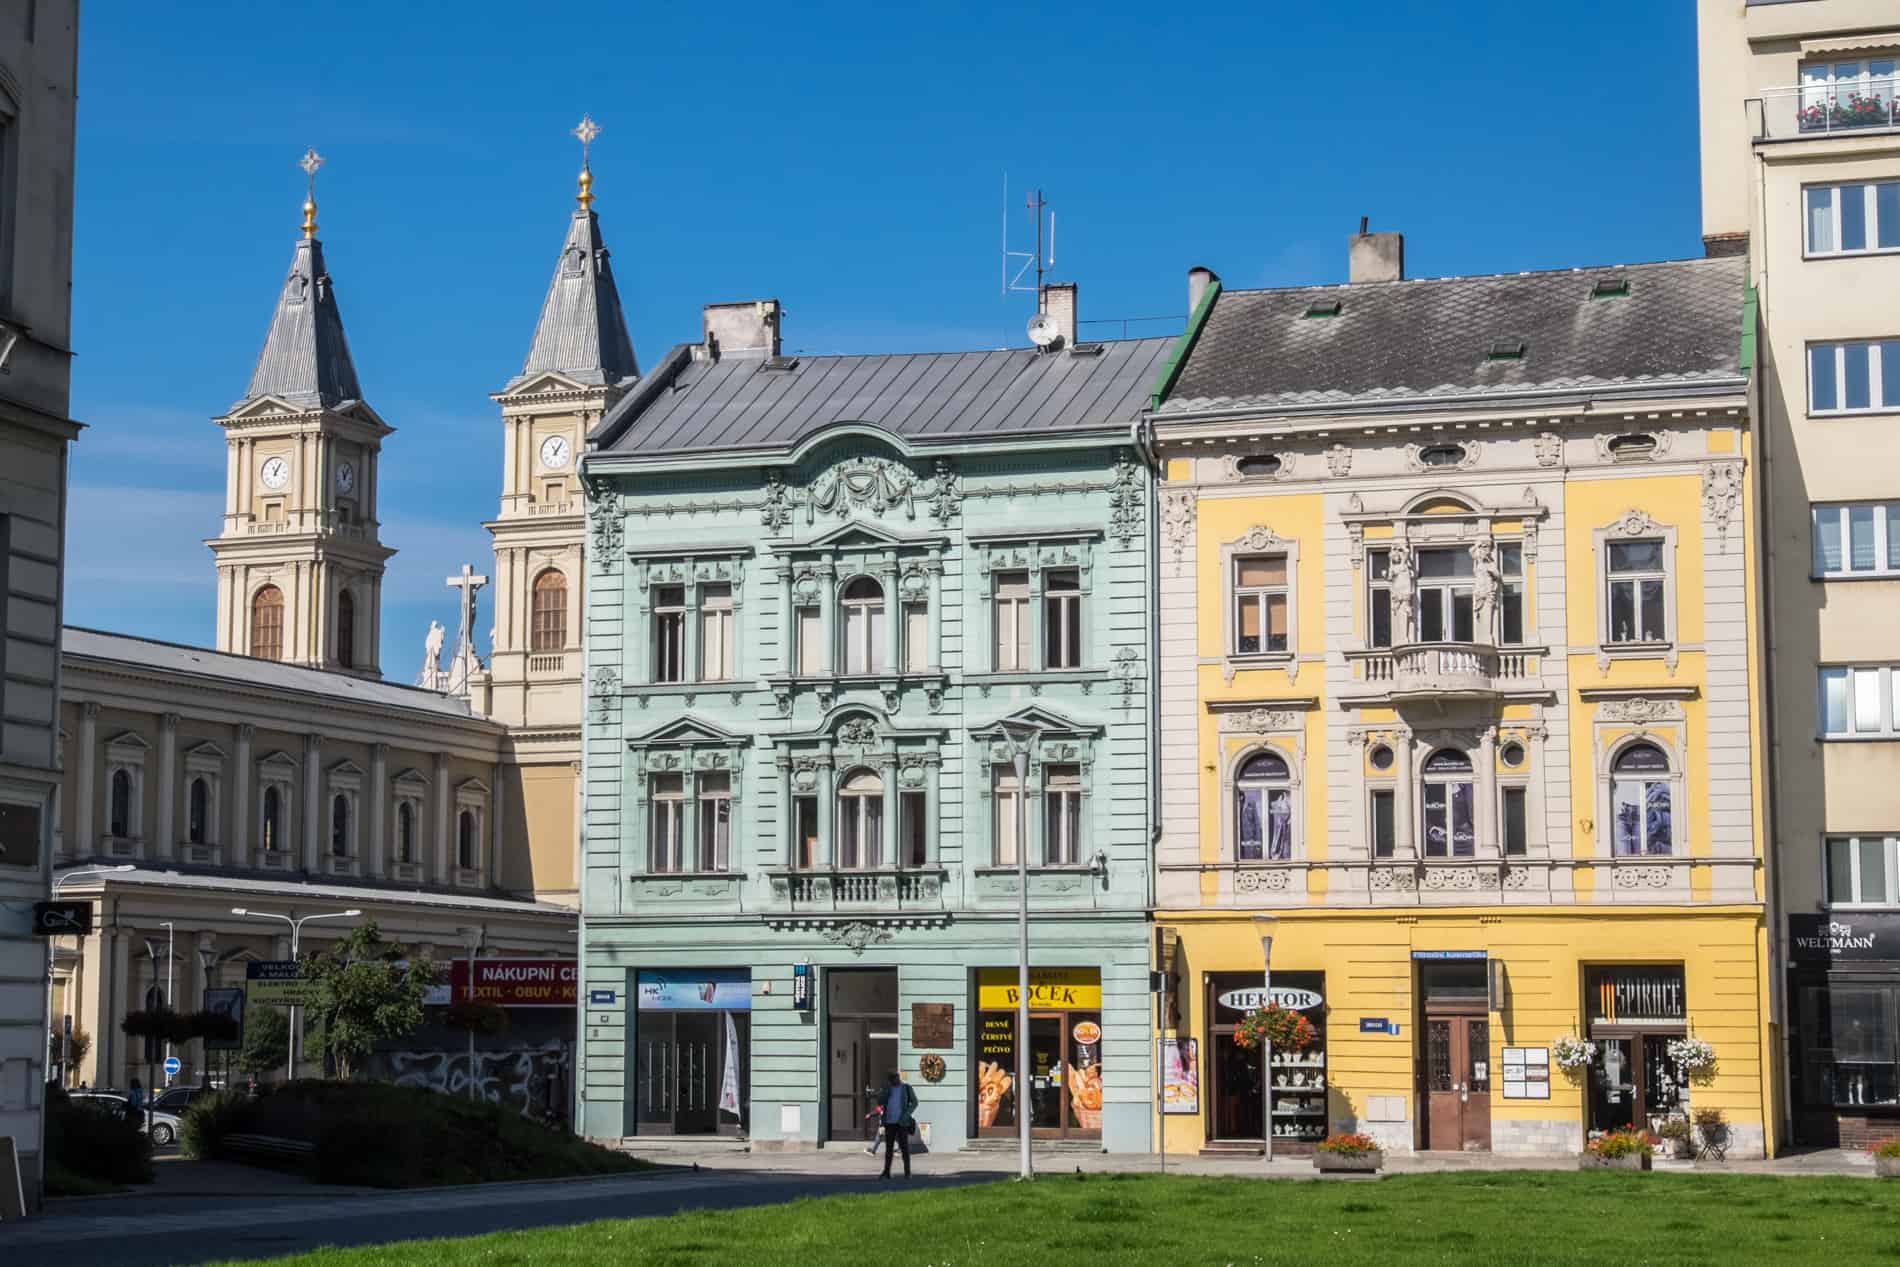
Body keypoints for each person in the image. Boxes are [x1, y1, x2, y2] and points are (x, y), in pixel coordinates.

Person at [879, 1070, 917, 1179]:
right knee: (889, 1149)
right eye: (891, 1080)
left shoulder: (906, 1088)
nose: (893, 1081)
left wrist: (906, 1115)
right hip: (889, 1122)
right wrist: (884, 1091)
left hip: (902, 1123)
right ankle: (886, 1172)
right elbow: (880, 1102)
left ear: (898, 1078)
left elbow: (914, 1102)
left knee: (904, 1148)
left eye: (894, 1079)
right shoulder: (888, 1089)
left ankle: (907, 1172)